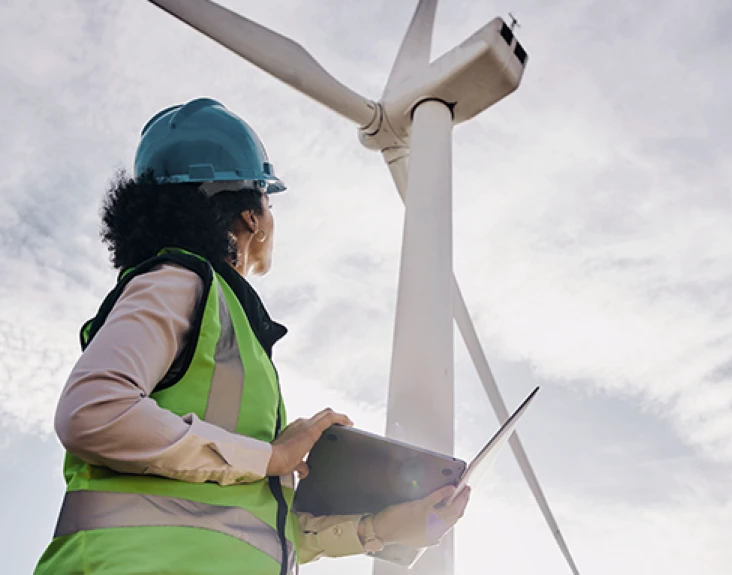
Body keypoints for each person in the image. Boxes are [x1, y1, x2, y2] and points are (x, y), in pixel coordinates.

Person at [34, 98, 470, 575]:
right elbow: (92, 413)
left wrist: (383, 527)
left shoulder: (231, 335)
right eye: (268, 200)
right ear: (250, 217)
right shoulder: (178, 282)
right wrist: (270, 456)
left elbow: (240, 527)